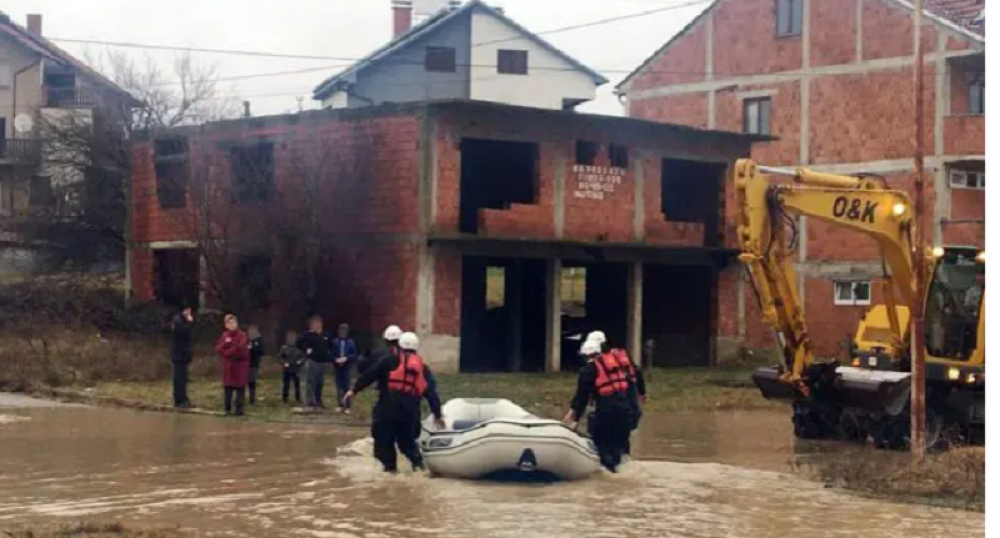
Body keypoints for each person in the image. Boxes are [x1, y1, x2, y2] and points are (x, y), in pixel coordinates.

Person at [344, 332, 445, 473]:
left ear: (400, 346)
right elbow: (432, 394)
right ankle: (419, 467)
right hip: (410, 414)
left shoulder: (387, 361)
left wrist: (353, 390)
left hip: (386, 411)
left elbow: (369, 375)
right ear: (416, 348)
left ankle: (390, 473)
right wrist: (438, 415)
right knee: (408, 445)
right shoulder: (423, 369)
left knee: (384, 446)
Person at [564, 339, 635, 473]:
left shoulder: (588, 370)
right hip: (625, 412)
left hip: (606, 414)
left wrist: (574, 420)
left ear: (586, 355)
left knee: (602, 446)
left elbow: (582, 397)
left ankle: (609, 473)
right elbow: (631, 388)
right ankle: (621, 471)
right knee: (619, 448)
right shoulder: (617, 365)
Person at [587, 330, 644, 456]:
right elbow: (637, 374)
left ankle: (609, 466)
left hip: (612, 411)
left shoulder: (599, 364)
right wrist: (641, 395)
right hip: (630, 410)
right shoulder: (623, 359)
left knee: (606, 443)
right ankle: (624, 466)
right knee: (622, 444)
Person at [215, 314, 251, 417]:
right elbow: (219, 348)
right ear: (226, 325)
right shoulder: (225, 335)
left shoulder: (242, 335)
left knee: (240, 389)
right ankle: (227, 409)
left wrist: (227, 353)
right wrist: (227, 347)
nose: (231, 325)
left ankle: (239, 410)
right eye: (229, 323)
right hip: (228, 367)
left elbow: (239, 349)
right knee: (228, 389)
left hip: (239, 367)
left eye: (233, 322)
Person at [297, 315, 334, 409]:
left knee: (320, 383)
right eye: (315, 323)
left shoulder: (326, 335)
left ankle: (318, 401)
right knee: (310, 382)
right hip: (312, 361)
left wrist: (330, 357)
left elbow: (331, 346)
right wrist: (306, 350)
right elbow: (299, 342)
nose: (317, 325)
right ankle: (309, 402)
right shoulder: (309, 334)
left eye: (319, 322)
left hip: (323, 362)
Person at [170, 306, 195, 409]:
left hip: (182, 355)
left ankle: (183, 399)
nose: (189, 312)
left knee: (183, 379)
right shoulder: (178, 321)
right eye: (187, 310)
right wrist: (190, 322)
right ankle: (180, 400)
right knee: (179, 379)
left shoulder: (180, 320)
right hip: (179, 355)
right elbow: (183, 333)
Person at [332, 323, 358, 414]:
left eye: (344, 330)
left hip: (347, 367)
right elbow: (332, 354)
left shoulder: (351, 342)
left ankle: (348, 406)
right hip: (338, 367)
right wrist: (336, 360)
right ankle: (340, 405)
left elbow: (354, 354)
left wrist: (346, 358)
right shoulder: (335, 342)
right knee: (339, 387)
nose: (342, 332)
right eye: (341, 330)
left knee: (347, 386)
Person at [278, 330, 305, 404]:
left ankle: (298, 398)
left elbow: (302, 356)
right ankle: (285, 399)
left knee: (297, 384)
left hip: (296, 368)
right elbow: (280, 357)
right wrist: (284, 363)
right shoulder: (284, 347)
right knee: (286, 385)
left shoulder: (298, 347)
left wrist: (300, 361)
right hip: (287, 369)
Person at [247, 324, 265, 406]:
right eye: (249, 331)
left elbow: (261, 352)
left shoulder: (258, 340)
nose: (251, 332)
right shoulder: (247, 339)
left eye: (252, 331)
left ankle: (252, 400)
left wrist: (252, 349)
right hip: (244, 364)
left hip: (253, 364)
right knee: (243, 382)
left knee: (252, 382)